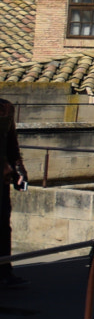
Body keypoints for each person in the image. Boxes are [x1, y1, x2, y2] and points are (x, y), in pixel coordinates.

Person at [0, 95, 26, 288]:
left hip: (2, 176)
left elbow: (11, 143)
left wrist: (19, 169)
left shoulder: (5, 108)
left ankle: (4, 271)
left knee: (2, 225)